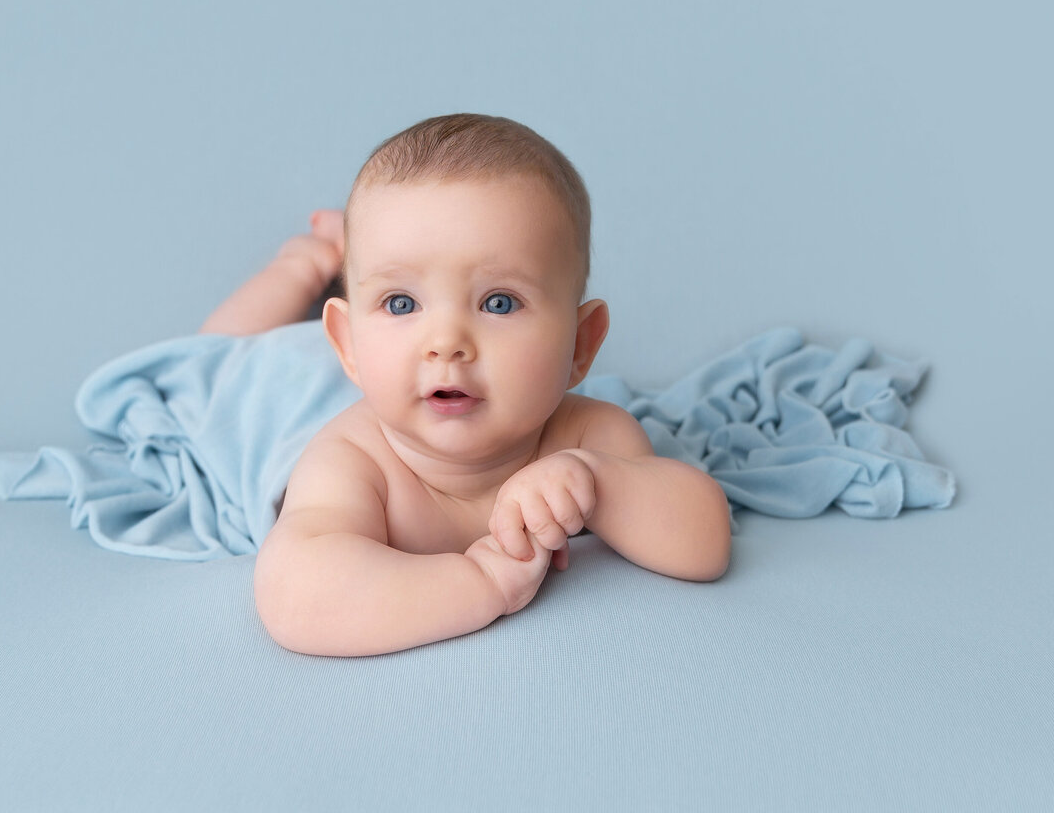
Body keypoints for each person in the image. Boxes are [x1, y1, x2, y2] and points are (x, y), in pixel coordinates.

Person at [206, 114, 731, 656]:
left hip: (378, 360)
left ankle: (363, 267)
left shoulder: (587, 437)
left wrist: (601, 484)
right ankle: (308, 261)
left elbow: (706, 541)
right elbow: (298, 598)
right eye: (402, 302)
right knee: (213, 358)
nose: (445, 343)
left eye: (497, 302)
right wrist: (479, 584)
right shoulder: (351, 460)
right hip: (272, 390)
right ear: (347, 344)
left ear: (580, 344)